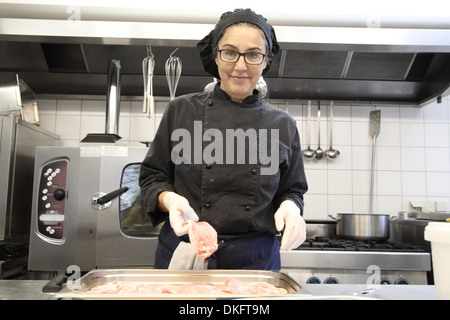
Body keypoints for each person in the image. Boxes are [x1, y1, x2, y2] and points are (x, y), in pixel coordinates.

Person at [139, 8, 308, 270]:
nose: (241, 66)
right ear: (215, 57)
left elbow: (292, 189)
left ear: (266, 60)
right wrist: (170, 201)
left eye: (253, 54)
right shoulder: (181, 111)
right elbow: (153, 179)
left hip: (254, 264)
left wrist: (291, 208)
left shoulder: (283, 124)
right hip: (187, 258)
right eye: (230, 52)